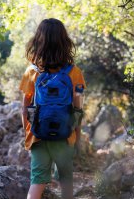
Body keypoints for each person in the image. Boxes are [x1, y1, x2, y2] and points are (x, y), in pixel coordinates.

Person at [19, 18, 86, 199]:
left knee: (36, 183)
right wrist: (77, 136)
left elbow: (25, 109)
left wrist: (29, 135)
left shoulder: (31, 72)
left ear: (38, 41)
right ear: (64, 42)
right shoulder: (75, 73)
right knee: (66, 182)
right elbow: (78, 108)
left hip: (38, 136)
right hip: (65, 136)